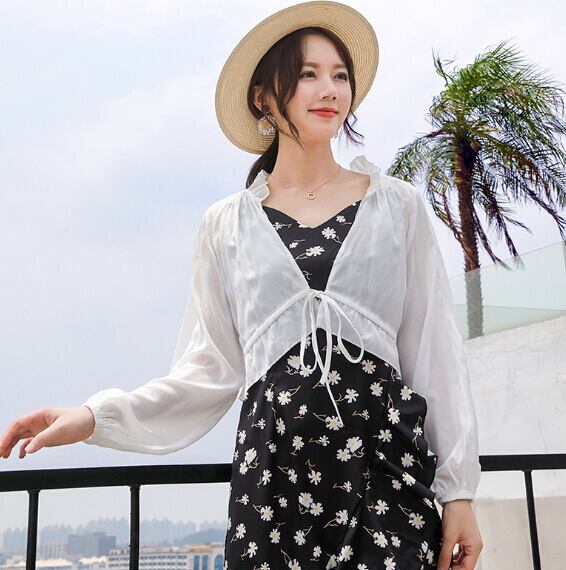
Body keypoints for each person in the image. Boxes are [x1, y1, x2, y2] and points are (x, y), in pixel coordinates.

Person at [0, 2, 483, 568]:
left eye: (339, 75)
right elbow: (207, 372)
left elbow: (433, 352)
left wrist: (458, 492)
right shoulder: (226, 225)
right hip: (273, 483)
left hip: (383, 473)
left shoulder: (395, 206)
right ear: (263, 96)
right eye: (308, 74)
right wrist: (93, 417)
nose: (329, 89)